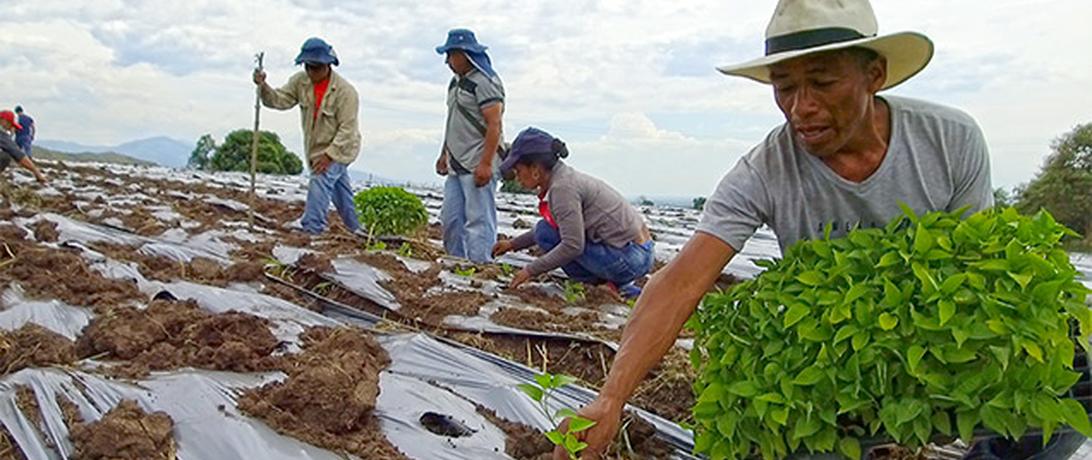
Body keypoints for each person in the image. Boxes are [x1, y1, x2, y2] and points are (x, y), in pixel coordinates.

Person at [555, 0, 1084, 459]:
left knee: (1075, 375)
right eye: (784, 88)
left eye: (823, 83)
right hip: (837, 371)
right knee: (782, 430)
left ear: (873, 74)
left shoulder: (950, 140)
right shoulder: (764, 170)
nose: (800, 107)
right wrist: (611, 397)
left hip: (938, 357)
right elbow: (680, 280)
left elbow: (984, 277)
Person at [492, 127, 654, 299]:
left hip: (631, 258)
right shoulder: (563, 179)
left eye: (518, 170)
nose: (517, 176)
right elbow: (554, 226)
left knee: (546, 234)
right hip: (635, 253)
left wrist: (530, 270)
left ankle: (608, 286)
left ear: (535, 169)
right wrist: (512, 244)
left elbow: (573, 245)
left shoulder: (563, 189)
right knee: (545, 230)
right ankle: (616, 286)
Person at [253, 37, 363, 236]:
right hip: (315, 149)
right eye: (308, 67)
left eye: (316, 67)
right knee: (340, 191)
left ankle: (312, 229)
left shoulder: (346, 93)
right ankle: (357, 229)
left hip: (341, 148)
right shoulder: (300, 82)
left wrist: (329, 155)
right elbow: (280, 100)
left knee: (320, 178)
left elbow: (348, 129)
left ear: (328, 66)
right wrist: (263, 87)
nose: (311, 72)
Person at [435, 28, 505, 263]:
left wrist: (486, 163)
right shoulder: (455, 83)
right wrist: (443, 153)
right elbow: (453, 121)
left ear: (465, 54)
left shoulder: (485, 82)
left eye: (451, 55)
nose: (447, 61)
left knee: (478, 221)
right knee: (450, 219)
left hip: (477, 163)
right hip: (456, 163)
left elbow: (494, 124)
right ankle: (457, 265)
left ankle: (481, 268)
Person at [0, 110, 47, 184]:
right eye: (11, 125)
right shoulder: (2, 133)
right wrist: (36, 172)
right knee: (5, 156)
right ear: (4, 121)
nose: (11, 129)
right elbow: (19, 155)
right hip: (24, 138)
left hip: (22, 138)